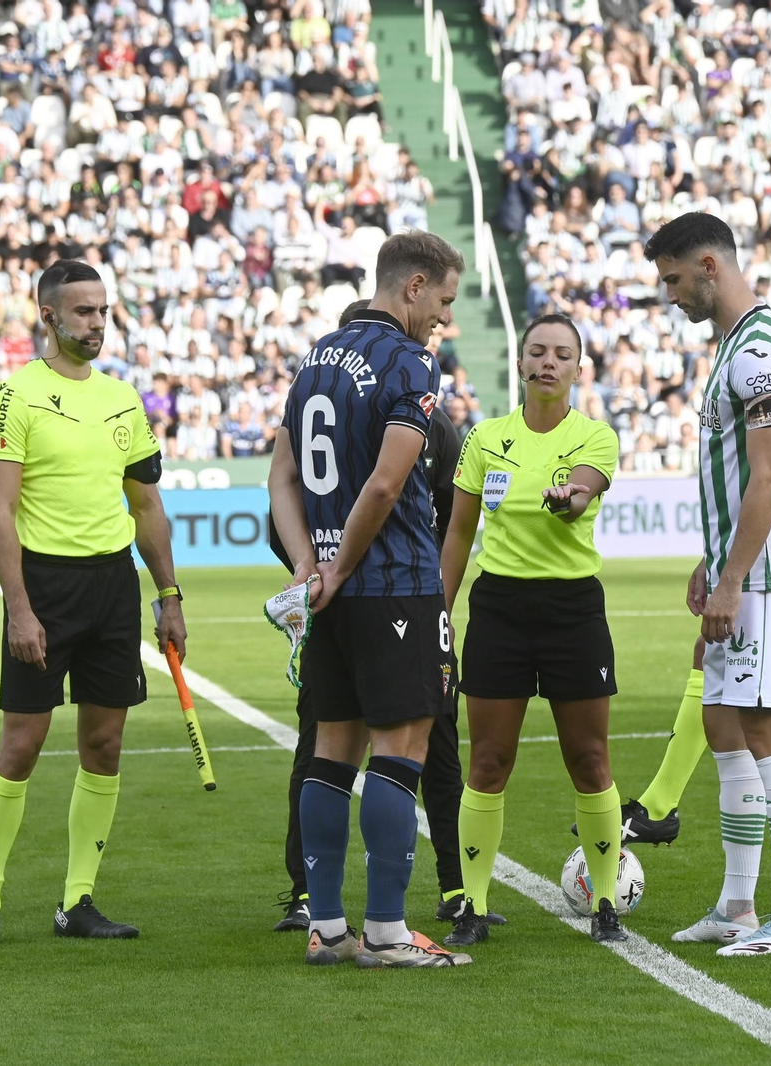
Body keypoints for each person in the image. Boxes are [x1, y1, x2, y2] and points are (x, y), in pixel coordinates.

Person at [0, 259, 187, 948]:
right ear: (48, 316)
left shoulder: (122, 398)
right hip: (44, 588)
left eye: (103, 311)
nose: (97, 323)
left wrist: (168, 594)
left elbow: (147, 505)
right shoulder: (14, 397)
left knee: (104, 744)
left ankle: (78, 900)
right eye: (83, 311)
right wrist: (20, 609)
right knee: (22, 744)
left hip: (112, 586)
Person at [267, 231, 471, 968]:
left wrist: (309, 567)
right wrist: (343, 565)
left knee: (331, 749)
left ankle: (326, 928)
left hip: (330, 596)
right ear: (413, 286)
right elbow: (386, 484)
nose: (444, 317)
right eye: (443, 299)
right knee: (400, 749)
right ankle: (386, 932)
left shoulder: (316, 358)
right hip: (395, 586)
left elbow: (281, 477)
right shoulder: (410, 361)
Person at [645, 212, 771, 956]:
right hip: (743, 569)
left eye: (674, 279)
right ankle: (738, 904)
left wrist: (734, 578)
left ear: (710, 266)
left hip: (769, 575)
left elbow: (770, 476)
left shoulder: (759, 353)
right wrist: (713, 563)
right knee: (724, 723)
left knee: (770, 728)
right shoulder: (735, 348)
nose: (670, 294)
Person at [440, 313, 625, 949]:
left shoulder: (595, 435)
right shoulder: (485, 437)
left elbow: (584, 491)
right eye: (538, 352)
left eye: (562, 354)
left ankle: (605, 900)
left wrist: (570, 498)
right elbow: (458, 532)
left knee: (590, 760)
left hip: (574, 610)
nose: (549, 362)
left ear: (578, 368)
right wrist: (442, 612)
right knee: (488, 761)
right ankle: (473, 905)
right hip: (499, 609)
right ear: (520, 363)